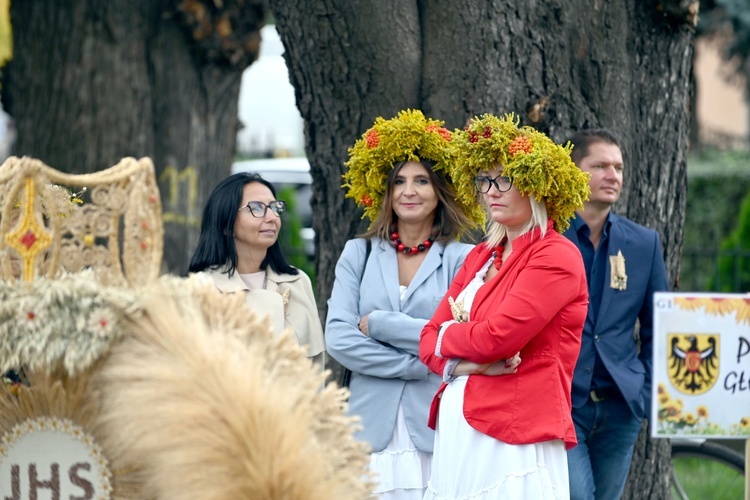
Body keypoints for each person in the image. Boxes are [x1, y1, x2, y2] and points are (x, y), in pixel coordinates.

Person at [419, 113, 591, 499]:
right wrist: (465, 364)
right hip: (459, 430)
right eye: (485, 180)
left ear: (535, 186)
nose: (491, 190)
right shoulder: (481, 255)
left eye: (504, 179)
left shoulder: (557, 256)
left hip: (515, 431)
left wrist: (448, 335)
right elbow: (425, 341)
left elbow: (498, 338)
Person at [325, 109, 484, 499]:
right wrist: (422, 363)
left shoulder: (464, 259)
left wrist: (378, 324)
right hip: (367, 430)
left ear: (440, 190)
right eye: (399, 181)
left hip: (436, 427)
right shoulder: (357, 253)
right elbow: (339, 339)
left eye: (421, 181)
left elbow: (460, 336)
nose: (408, 191)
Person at [562, 129, 669, 500]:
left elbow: (660, 326)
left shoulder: (643, 243)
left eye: (619, 167)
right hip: (561, 405)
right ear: (574, 172)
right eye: (601, 166)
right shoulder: (548, 238)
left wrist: (642, 390)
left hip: (621, 408)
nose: (614, 175)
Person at [188, 172, 325, 367]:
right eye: (256, 208)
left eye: (274, 207)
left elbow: (316, 367)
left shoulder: (297, 281)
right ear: (226, 225)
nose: (271, 217)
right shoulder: (203, 289)